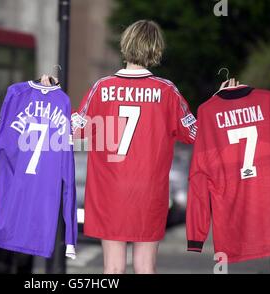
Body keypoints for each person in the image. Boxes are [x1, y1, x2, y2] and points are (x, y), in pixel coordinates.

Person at [43, 20, 197, 274]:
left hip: (110, 190)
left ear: (125, 45)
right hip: (149, 191)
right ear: (155, 49)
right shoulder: (167, 92)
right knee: (145, 268)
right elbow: (195, 133)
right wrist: (223, 101)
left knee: (113, 269)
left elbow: (72, 130)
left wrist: (52, 95)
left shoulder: (101, 88)